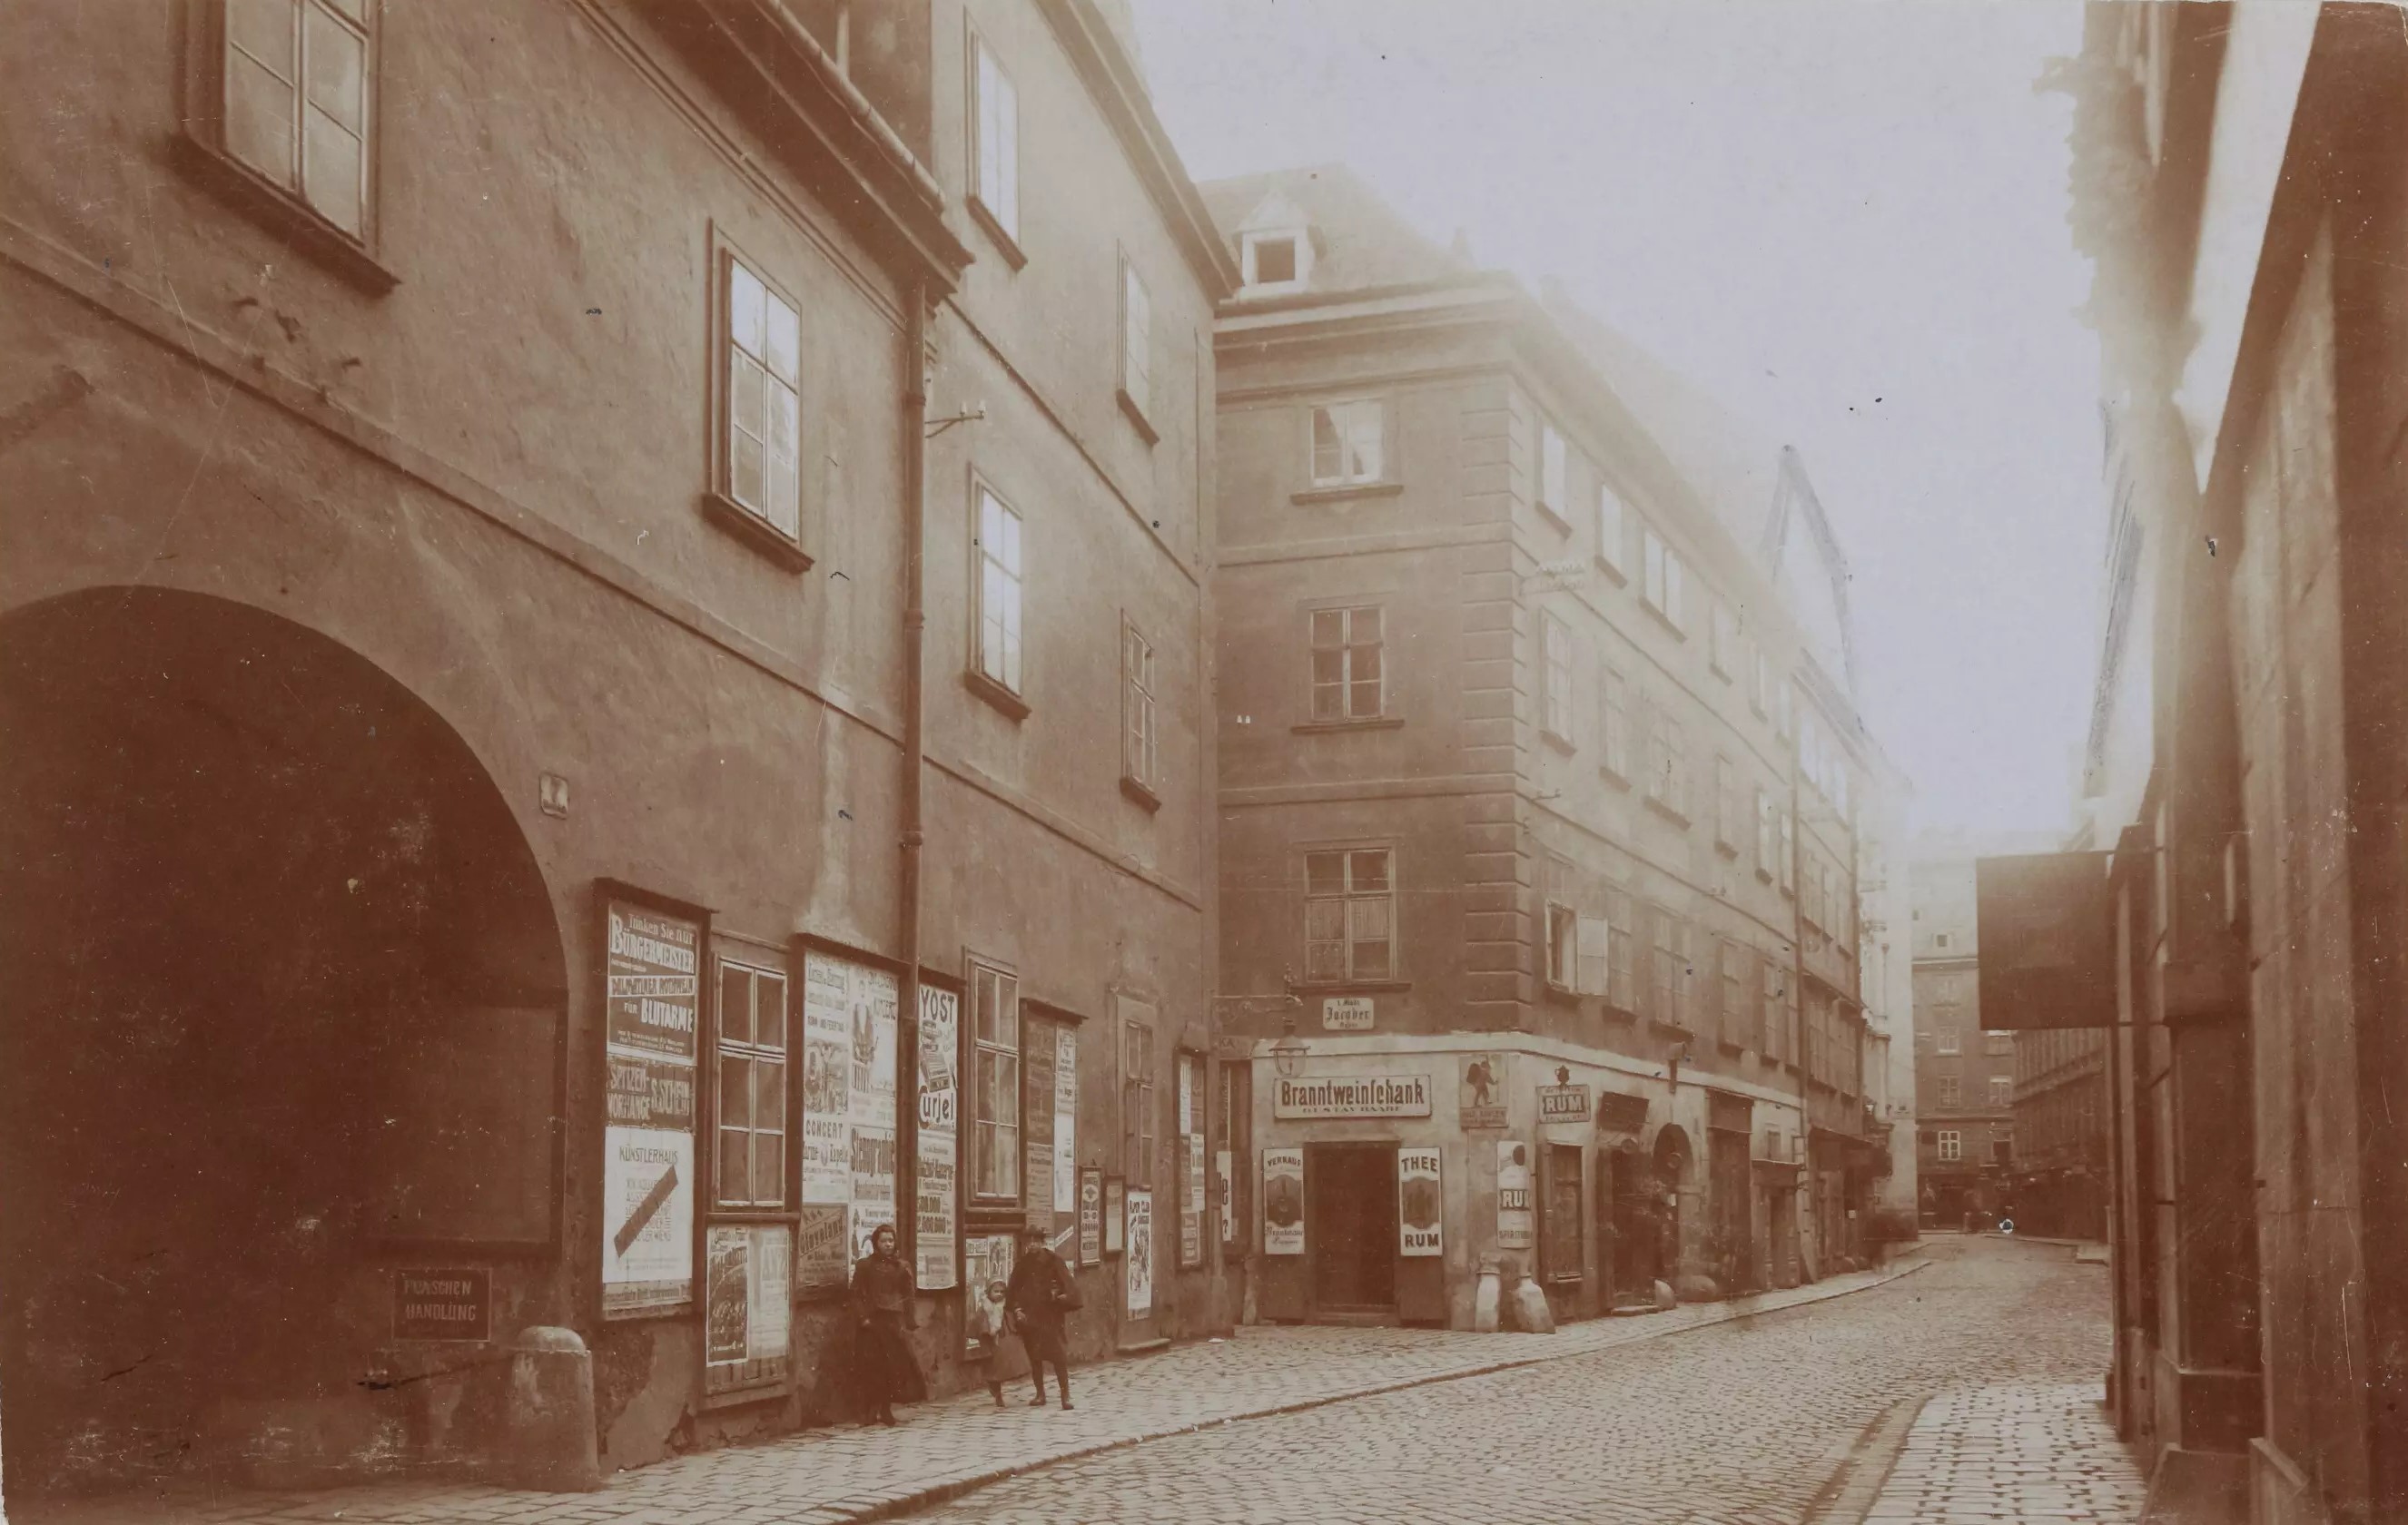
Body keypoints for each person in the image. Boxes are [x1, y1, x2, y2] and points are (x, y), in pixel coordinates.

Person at [847, 1225, 925, 1426]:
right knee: (872, 1368)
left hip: (893, 1323)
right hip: (872, 1324)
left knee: (893, 1368)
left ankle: (886, 1409)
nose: (888, 1245)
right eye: (883, 1241)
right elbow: (855, 1294)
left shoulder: (901, 1267)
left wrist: (909, 1320)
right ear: (875, 1243)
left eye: (891, 1240)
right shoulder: (865, 1266)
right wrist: (863, 1318)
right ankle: (870, 1411)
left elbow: (909, 1296)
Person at [1006, 1224, 1078, 1410]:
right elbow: (1012, 1291)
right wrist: (1017, 1310)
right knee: (1034, 1357)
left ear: (1041, 1242)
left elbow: (1069, 1286)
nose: (1031, 1245)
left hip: (1050, 1316)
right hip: (1030, 1318)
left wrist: (1062, 1296)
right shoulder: (1022, 1265)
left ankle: (1065, 1395)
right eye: (1028, 1242)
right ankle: (1040, 1393)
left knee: (1058, 1356)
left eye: (1035, 1241)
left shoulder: (1054, 1261)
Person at [966, 1279, 1013, 1405]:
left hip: (1001, 1339)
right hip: (987, 1340)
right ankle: (992, 1385)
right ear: (989, 1292)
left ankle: (998, 1394)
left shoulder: (1004, 1306)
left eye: (1002, 1292)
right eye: (996, 1291)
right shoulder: (985, 1306)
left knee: (998, 1368)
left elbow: (1009, 1322)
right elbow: (978, 1321)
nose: (999, 1294)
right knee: (989, 1366)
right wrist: (985, 1330)